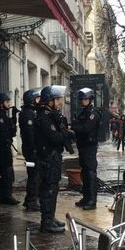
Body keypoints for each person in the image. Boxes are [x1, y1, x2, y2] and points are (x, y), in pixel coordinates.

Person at [35, 85, 75, 233]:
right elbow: (55, 138)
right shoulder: (44, 117)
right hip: (48, 159)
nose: (59, 102)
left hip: (53, 158)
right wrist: (65, 134)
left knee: (53, 188)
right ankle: (46, 222)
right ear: (49, 101)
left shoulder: (51, 115)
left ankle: (50, 217)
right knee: (48, 190)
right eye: (57, 99)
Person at [71, 88, 100, 210]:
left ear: (90, 100)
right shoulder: (84, 112)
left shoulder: (93, 113)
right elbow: (78, 125)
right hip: (83, 146)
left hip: (89, 147)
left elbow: (86, 128)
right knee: (84, 172)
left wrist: (74, 126)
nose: (82, 101)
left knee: (90, 173)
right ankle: (86, 197)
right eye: (82, 99)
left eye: (85, 99)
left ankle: (92, 200)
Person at [18, 89, 41, 211]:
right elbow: (30, 134)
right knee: (34, 176)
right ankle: (32, 201)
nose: (39, 101)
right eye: (37, 99)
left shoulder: (30, 112)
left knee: (34, 175)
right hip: (31, 150)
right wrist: (35, 149)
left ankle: (30, 200)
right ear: (31, 100)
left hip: (31, 149)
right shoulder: (28, 114)